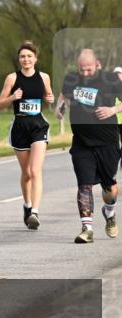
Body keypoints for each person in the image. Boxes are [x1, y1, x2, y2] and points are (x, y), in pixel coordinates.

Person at [55, 49, 122, 243]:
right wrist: (60, 107)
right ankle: (87, 229)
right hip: (82, 143)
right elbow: (63, 95)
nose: (85, 73)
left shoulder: (109, 79)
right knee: (84, 185)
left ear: (97, 65)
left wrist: (112, 109)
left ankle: (109, 212)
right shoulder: (71, 79)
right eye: (81, 69)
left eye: (89, 69)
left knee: (110, 189)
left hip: (107, 143)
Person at [0, 41, 55, 230]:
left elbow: (49, 96)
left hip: (38, 124)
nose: (26, 59)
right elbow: (0, 103)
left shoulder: (44, 77)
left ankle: (35, 212)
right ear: (19, 59)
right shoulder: (12, 78)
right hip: (20, 126)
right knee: (27, 173)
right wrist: (13, 97)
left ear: (35, 58)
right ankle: (27, 205)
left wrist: (50, 99)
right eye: (22, 56)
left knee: (36, 171)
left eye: (29, 56)